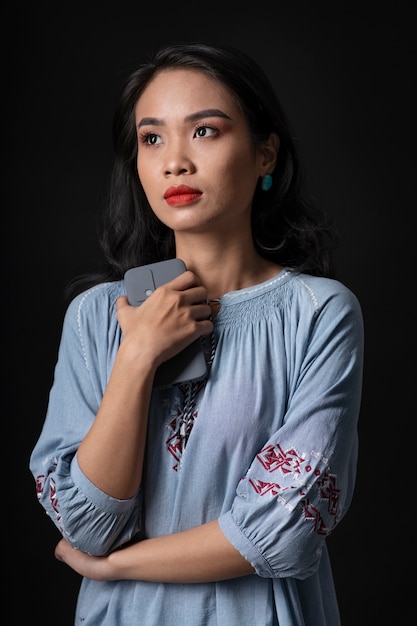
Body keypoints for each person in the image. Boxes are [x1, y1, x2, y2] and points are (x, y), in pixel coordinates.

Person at [29, 41, 364, 625]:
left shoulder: (318, 312)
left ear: (265, 154)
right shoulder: (95, 315)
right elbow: (86, 524)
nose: (174, 162)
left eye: (204, 132)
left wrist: (116, 567)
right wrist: (136, 355)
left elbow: (283, 531)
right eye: (152, 138)